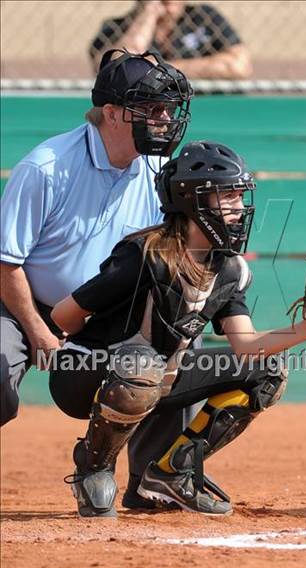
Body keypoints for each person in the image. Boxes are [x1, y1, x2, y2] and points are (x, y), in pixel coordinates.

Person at [49, 141, 306, 518]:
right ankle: (93, 467)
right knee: (140, 365)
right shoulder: (145, 255)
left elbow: (247, 347)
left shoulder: (229, 269)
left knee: (266, 373)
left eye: (240, 196)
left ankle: (170, 472)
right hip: (85, 374)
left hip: (154, 375)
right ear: (192, 200)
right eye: (227, 195)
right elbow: (65, 316)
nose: (239, 208)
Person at [0, 48, 193, 427]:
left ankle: (157, 479)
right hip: (25, 305)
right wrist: (39, 331)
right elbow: (6, 262)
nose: (166, 121)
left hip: (105, 309)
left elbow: (168, 258)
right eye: (153, 110)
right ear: (111, 113)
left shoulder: (160, 172)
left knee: (182, 349)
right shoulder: (47, 168)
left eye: (168, 110)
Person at [89, 0, 252, 79]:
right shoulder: (116, 27)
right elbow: (119, 69)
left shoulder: (204, 16)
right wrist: (148, 15)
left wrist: (158, 69)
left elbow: (239, 66)